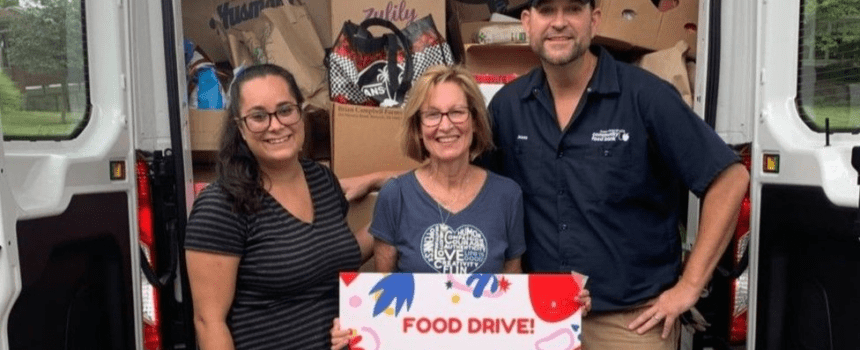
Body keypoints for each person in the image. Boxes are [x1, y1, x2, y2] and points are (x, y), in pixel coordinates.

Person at [480, 0, 751, 349]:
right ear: (528, 23)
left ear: (594, 21)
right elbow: (475, 187)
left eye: (573, 9)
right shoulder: (507, 107)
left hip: (631, 323)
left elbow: (729, 180)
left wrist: (689, 287)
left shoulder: (646, 96)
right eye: (547, 11)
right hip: (540, 317)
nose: (559, 23)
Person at [331, 65, 590, 349]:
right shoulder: (396, 195)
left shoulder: (507, 195)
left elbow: (512, 292)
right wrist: (354, 324)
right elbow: (382, 293)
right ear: (418, 128)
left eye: (457, 112)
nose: (445, 125)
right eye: (432, 115)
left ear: (476, 121)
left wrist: (566, 305)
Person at [184, 64, 372, 350]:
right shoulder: (221, 206)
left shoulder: (322, 180)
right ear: (240, 127)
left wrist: (393, 211)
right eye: (258, 116)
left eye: (285, 110)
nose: (276, 125)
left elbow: (329, 256)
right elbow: (209, 322)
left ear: (301, 112)